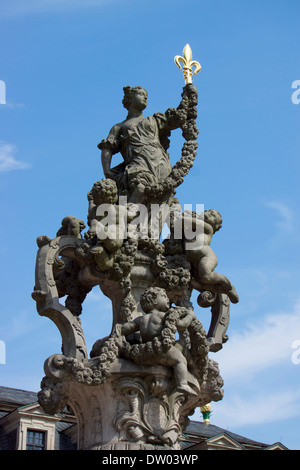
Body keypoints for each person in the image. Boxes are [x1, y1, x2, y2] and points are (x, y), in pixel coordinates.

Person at [98, 85, 196, 204]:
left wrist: (187, 96)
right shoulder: (119, 127)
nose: (145, 98)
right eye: (141, 94)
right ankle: (129, 216)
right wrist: (107, 170)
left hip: (160, 164)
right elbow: (107, 148)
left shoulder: (153, 120)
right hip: (138, 164)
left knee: (160, 202)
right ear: (130, 98)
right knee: (140, 188)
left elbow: (176, 118)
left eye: (146, 96)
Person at [116, 287, 197, 396]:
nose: (168, 299)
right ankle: (182, 384)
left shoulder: (141, 319)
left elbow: (125, 328)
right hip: (162, 349)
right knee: (180, 360)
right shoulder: (163, 316)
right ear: (154, 301)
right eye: (164, 296)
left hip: (146, 351)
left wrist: (118, 331)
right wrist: (190, 316)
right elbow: (182, 325)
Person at [181, 209, 239, 303]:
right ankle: (224, 290)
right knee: (202, 283)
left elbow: (185, 221)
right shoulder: (192, 229)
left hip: (206, 256)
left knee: (206, 276)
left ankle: (227, 285)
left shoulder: (207, 227)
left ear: (214, 225)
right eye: (207, 211)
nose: (208, 214)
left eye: (213, 216)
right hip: (194, 260)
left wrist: (178, 218)